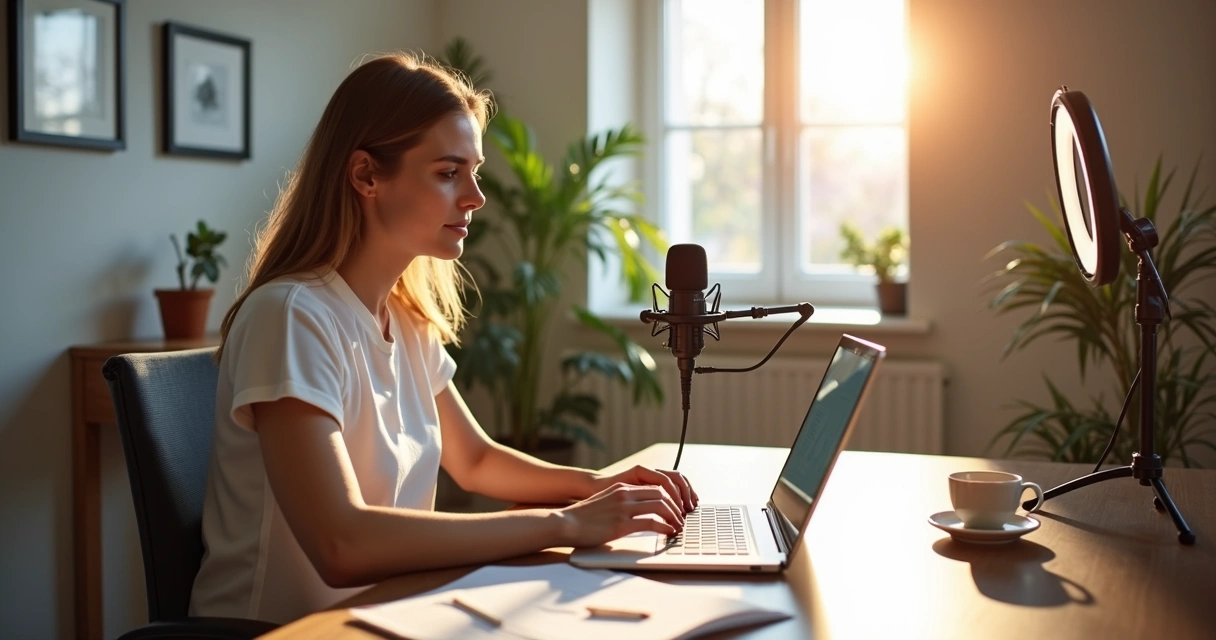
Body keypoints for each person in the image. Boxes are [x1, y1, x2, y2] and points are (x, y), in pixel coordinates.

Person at [188, 52, 698, 625]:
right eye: (448, 172)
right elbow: (341, 542)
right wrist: (566, 523)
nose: (476, 197)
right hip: (286, 633)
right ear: (365, 176)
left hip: (387, 617)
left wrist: (596, 486)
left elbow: (476, 461)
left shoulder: (405, 319)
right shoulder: (291, 316)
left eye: (473, 172)